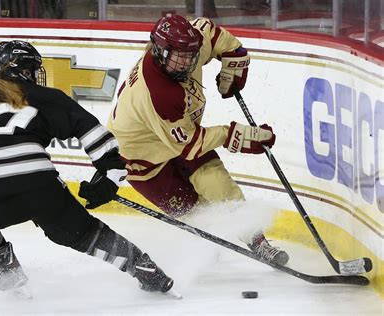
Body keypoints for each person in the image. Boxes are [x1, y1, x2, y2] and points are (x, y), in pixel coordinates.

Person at [0, 40, 174, 297]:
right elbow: (90, 130)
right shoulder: (45, 97)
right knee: (86, 234)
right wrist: (109, 175)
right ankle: (147, 271)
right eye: (32, 70)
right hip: (39, 186)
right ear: (23, 71)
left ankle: (6, 266)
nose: (35, 76)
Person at [107, 15, 289, 265]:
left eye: (190, 55)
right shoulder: (158, 93)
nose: (186, 63)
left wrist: (233, 61)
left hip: (179, 137)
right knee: (198, 215)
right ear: (159, 50)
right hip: (144, 163)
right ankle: (203, 251)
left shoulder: (189, 46)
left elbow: (214, 35)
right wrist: (238, 135)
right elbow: (191, 145)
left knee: (218, 184)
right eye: (178, 57)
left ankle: (259, 243)